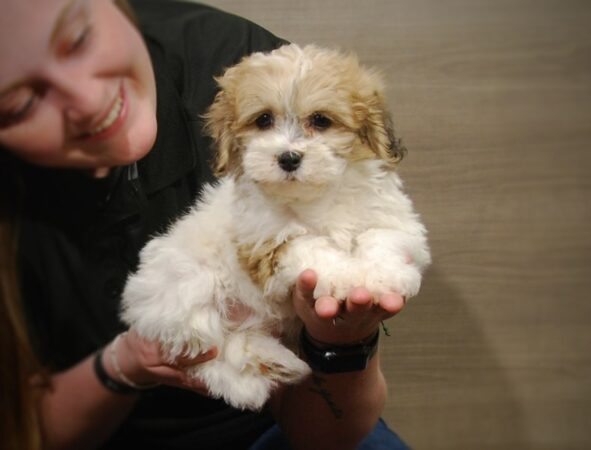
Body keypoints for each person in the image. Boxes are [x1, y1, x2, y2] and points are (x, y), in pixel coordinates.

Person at [0, 0, 410, 449]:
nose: (87, 101)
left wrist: (341, 342)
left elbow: (327, 430)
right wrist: (126, 363)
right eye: (19, 105)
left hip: (286, 412)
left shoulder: (237, 56)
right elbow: (25, 430)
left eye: (79, 38)